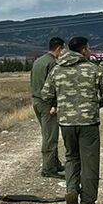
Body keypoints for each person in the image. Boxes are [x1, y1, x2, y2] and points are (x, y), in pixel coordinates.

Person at [39, 36, 103, 204]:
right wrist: (98, 104)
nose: (89, 52)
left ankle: (71, 190)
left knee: (72, 157)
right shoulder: (93, 69)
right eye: (88, 49)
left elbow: (45, 95)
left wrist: (59, 104)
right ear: (83, 50)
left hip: (66, 123)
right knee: (89, 162)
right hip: (88, 122)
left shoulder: (57, 70)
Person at [29, 37, 66, 177]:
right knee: (50, 137)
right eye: (63, 49)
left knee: (47, 133)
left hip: (36, 101)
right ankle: (48, 169)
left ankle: (55, 163)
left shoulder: (38, 61)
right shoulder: (52, 63)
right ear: (59, 49)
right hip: (47, 104)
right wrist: (54, 104)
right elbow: (53, 87)